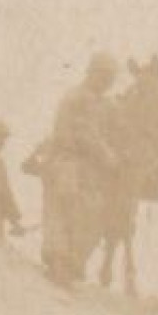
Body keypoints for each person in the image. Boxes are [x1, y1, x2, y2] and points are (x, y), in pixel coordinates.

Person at [35, 52, 121, 285]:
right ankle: (59, 265)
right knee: (64, 212)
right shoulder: (77, 98)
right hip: (67, 162)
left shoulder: (104, 103)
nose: (107, 82)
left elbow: (115, 128)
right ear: (92, 73)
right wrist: (109, 155)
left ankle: (71, 265)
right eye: (104, 76)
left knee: (90, 216)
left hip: (89, 170)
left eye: (111, 78)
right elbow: (85, 133)